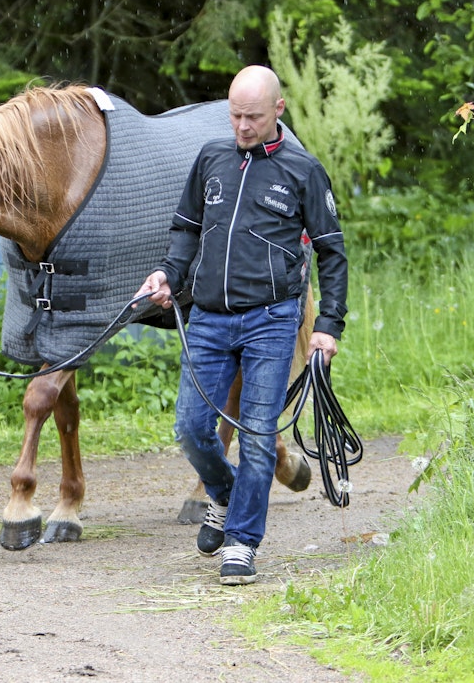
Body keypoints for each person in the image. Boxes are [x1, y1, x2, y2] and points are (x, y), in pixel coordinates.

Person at [134, 65, 349, 585]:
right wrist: (168, 274)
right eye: (235, 115)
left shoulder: (303, 171)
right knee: (190, 427)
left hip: (272, 322)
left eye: (253, 116)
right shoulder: (211, 158)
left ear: (278, 110)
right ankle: (227, 492)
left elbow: (332, 253)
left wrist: (328, 325)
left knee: (256, 435)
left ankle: (242, 542)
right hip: (208, 318)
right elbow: (185, 229)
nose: (242, 126)